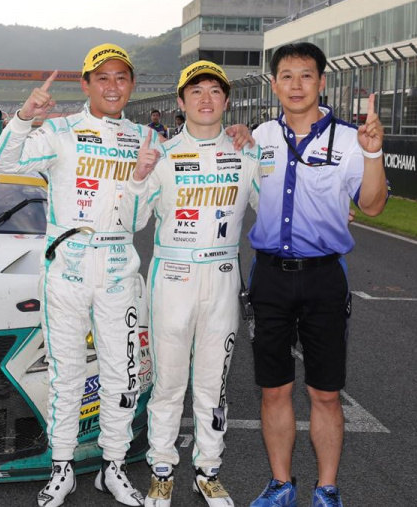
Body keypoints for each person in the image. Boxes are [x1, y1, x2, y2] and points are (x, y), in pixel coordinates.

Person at [0, 44, 254, 507]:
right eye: (103, 77)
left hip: (119, 268)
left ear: (131, 85)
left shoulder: (146, 138)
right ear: (86, 84)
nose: (113, 86)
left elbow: (140, 215)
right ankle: (61, 466)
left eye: (121, 78)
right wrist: (23, 117)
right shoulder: (59, 130)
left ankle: (112, 466)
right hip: (67, 268)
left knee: (123, 377)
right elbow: (2, 164)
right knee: (66, 375)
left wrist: (240, 134)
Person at [246, 42, 387, 507]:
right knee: (274, 389)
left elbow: (372, 205)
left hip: (325, 278)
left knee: (325, 394)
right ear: (274, 85)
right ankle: (280, 485)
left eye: (306, 75)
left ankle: (327, 489)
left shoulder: (349, 139)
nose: (296, 85)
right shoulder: (260, 136)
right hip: (270, 277)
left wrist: (373, 154)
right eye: (286, 76)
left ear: (321, 82)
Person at [119, 61, 259, 507]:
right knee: (167, 385)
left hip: (222, 279)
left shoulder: (246, 154)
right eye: (195, 91)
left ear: (227, 101)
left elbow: (277, 209)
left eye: (214, 90)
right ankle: (161, 470)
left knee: (213, 385)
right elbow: (132, 221)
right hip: (172, 280)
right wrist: (138, 177)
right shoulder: (161, 154)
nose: (205, 98)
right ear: (180, 102)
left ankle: (208, 470)